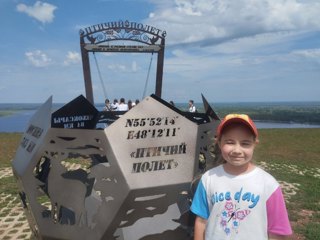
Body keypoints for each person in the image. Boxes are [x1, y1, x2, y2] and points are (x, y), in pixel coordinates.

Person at [191, 114, 292, 240]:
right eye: (230, 142)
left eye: (245, 143)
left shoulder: (269, 184)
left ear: (254, 144)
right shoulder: (209, 179)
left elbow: (277, 230)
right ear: (219, 142)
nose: (237, 150)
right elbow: (201, 221)